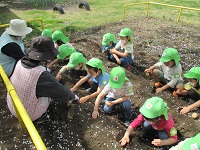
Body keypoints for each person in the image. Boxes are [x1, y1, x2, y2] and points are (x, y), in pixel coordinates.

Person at [7, 36, 79, 122]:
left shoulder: (20, 61)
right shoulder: (41, 75)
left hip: (13, 105)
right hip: (26, 114)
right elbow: (60, 91)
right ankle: (40, 117)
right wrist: (74, 97)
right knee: (49, 94)